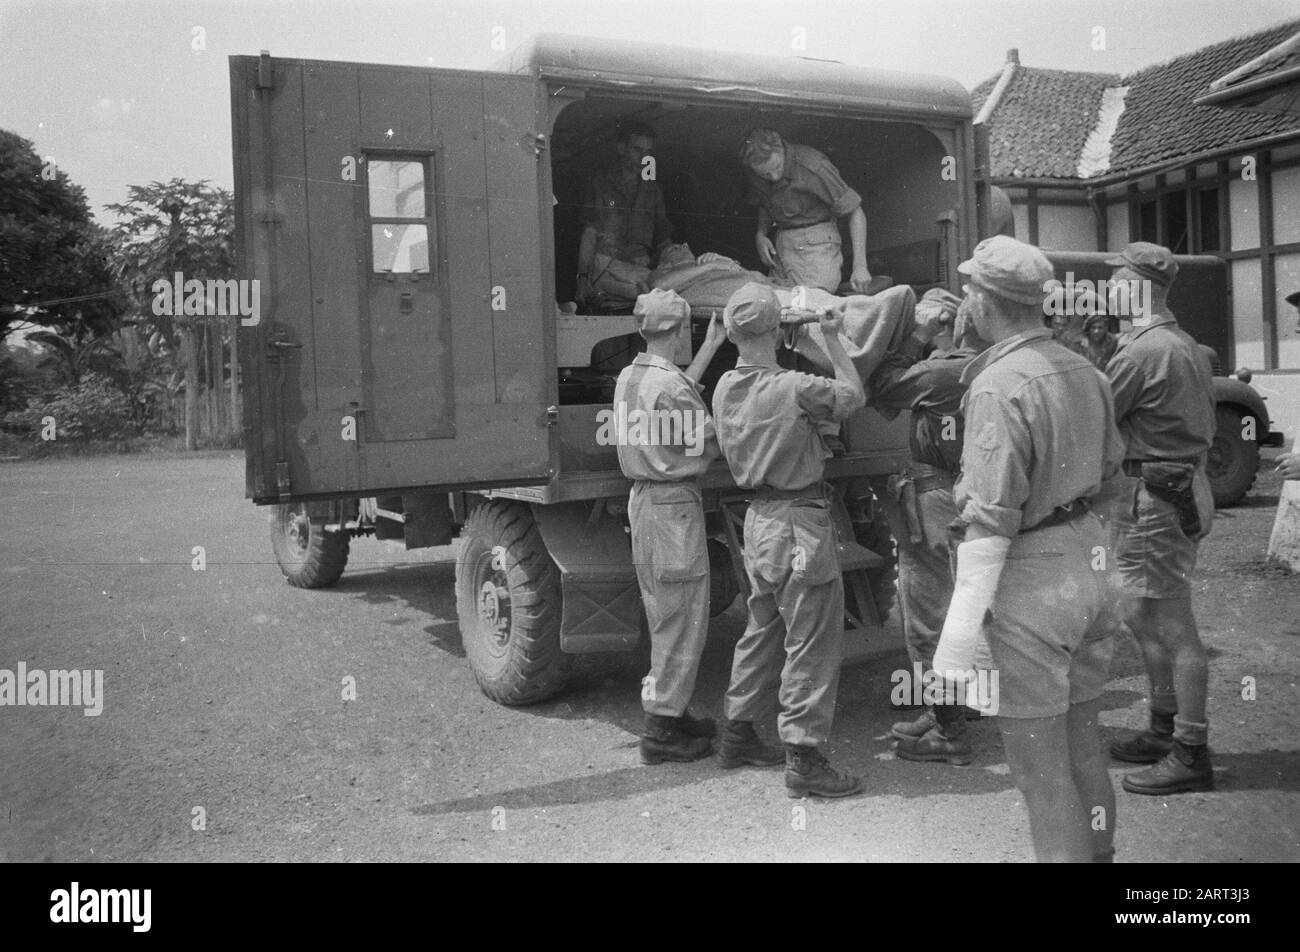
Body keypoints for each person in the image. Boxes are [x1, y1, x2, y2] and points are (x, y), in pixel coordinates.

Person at [936, 235, 1125, 862]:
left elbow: (990, 527)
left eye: (968, 288)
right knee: (1084, 751)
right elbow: (1115, 481)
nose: (963, 297)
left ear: (987, 300)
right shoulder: (1085, 369)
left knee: (1042, 780)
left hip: (1033, 576)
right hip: (1090, 563)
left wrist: (954, 647)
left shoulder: (997, 384)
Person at [712, 282, 867, 796]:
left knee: (762, 628)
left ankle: (738, 732)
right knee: (813, 641)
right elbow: (852, 397)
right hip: (800, 522)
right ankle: (803, 756)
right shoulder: (795, 386)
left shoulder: (724, 386)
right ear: (778, 330)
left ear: (732, 332)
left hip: (757, 519)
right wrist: (831, 340)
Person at [1103, 242, 1218, 795]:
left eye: (1117, 280)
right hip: (1174, 485)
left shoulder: (1143, 351)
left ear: (1138, 287)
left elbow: (1097, 419)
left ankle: (1191, 750)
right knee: (1143, 616)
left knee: (1174, 626)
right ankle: (1163, 727)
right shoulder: (1184, 343)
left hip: (1156, 493)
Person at [863, 289, 992, 764]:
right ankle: (958, 706)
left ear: (947, 323)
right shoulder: (980, 366)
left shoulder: (943, 371)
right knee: (963, 604)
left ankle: (948, 728)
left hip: (935, 498)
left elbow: (885, 386)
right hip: (964, 494)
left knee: (928, 612)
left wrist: (915, 333)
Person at [613, 290, 727, 764]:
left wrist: (708, 349)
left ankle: (672, 712)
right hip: (674, 507)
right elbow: (704, 440)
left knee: (666, 613)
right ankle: (661, 729)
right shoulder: (673, 388)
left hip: (644, 503)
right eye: (689, 332)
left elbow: (672, 399)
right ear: (679, 330)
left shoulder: (631, 375)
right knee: (682, 620)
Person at [739, 128, 873, 295]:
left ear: (780, 147)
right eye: (766, 174)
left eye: (777, 167)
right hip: (783, 247)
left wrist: (860, 266)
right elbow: (764, 203)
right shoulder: (755, 171)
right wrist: (760, 234)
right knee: (775, 303)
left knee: (815, 305)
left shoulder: (813, 165)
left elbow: (855, 211)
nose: (773, 177)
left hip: (816, 244)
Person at [577, 121, 674, 307]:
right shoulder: (601, 185)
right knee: (651, 296)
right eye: (637, 150)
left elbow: (663, 239)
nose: (643, 158)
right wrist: (582, 280)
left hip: (639, 271)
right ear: (621, 148)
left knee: (660, 294)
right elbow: (589, 234)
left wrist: (678, 258)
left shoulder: (652, 190)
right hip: (607, 268)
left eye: (647, 152)